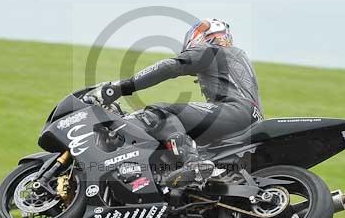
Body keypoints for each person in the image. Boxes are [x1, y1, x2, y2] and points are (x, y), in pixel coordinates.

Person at [91, 18, 263, 188]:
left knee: (161, 111)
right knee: (179, 131)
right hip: (248, 118)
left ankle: (193, 163)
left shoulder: (211, 51)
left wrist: (120, 87)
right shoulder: (237, 57)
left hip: (235, 111)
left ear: (200, 37)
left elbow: (169, 67)